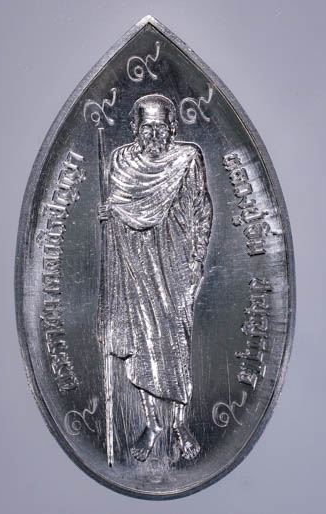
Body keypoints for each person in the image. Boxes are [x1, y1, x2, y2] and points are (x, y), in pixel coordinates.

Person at [98, 93, 212, 461]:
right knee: (144, 344)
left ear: (172, 129)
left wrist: (196, 260)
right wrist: (110, 212)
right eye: (147, 128)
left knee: (175, 347)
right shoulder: (120, 161)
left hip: (175, 268)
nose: (154, 135)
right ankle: (152, 425)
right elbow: (117, 206)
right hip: (136, 266)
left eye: (160, 128)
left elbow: (200, 209)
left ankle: (179, 424)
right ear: (135, 128)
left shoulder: (186, 159)